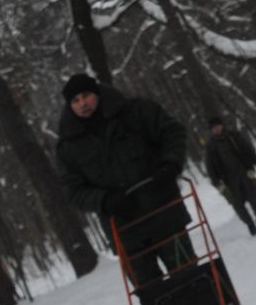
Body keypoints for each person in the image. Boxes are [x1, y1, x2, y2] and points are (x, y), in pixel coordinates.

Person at [55, 73, 194, 286]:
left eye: (86, 95)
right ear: (70, 106)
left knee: (188, 274)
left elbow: (172, 131)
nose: (83, 103)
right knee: (150, 291)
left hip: (164, 211)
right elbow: (73, 192)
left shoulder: (136, 111)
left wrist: (170, 164)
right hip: (124, 230)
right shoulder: (68, 147)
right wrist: (104, 200)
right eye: (75, 100)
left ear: (97, 93)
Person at [204, 116, 256, 234]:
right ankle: (250, 224)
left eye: (218, 126)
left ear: (222, 125)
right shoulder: (210, 146)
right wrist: (218, 184)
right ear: (211, 130)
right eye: (214, 128)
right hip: (228, 181)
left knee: (254, 199)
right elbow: (210, 168)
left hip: (246, 172)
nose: (216, 129)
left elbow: (249, 150)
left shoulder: (234, 136)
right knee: (237, 205)